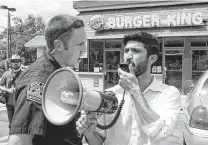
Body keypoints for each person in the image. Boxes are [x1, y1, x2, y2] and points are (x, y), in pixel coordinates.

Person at [76, 32, 181, 145]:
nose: (128, 56)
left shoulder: (169, 94)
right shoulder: (111, 94)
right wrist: (90, 134)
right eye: (126, 51)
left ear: (152, 59)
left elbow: (160, 133)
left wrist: (135, 91)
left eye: (136, 51)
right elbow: (99, 141)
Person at [8, 14, 87, 145]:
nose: (85, 50)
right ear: (59, 45)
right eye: (80, 44)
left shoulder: (60, 73)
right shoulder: (38, 81)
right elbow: (18, 142)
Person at [0, 54, 23, 129]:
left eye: (18, 61)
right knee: (11, 124)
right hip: (9, 103)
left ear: (20, 62)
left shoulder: (25, 74)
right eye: (13, 61)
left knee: (20, 124)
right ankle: (11, 138)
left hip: (21, 103)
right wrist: (7, 90)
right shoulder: (6, 74)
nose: (15, 63)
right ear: (11, 63)